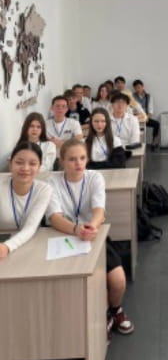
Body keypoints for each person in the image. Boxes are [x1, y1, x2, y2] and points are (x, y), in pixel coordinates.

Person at [47, 139, 134, 340]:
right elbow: (54, 218)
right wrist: (76, 229)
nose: (78, 163)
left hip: (93, 234)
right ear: (62, 161)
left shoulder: (95, 177)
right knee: (76, 283)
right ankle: (89, 319)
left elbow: (99, 210)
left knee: (118, 279)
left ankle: (115, 310)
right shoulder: (52, 181)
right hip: (64, 237)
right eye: (72, 159)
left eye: (82, 158)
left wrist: (92, 227)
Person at [0, 142, 52, 360]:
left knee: (23, 303)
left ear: (40, 166)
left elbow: (31, 228)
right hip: (3, 247)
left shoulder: (44, 189)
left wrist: (7, 247)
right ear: (10, 162)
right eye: (20, 162)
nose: (25, 168)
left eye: (32, 163)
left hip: (27, 247)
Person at [133, 79, 160, 150]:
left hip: (146, 117)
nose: (138, 89)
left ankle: (154, 142)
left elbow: (151, 110)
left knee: (156, 124)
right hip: (136, 118)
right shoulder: (132, 96)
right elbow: (132, 109)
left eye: (139, 87)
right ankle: (137, 143)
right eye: (136, 88)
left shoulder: (148, 96)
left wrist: (147, 117)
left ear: (143, 86)